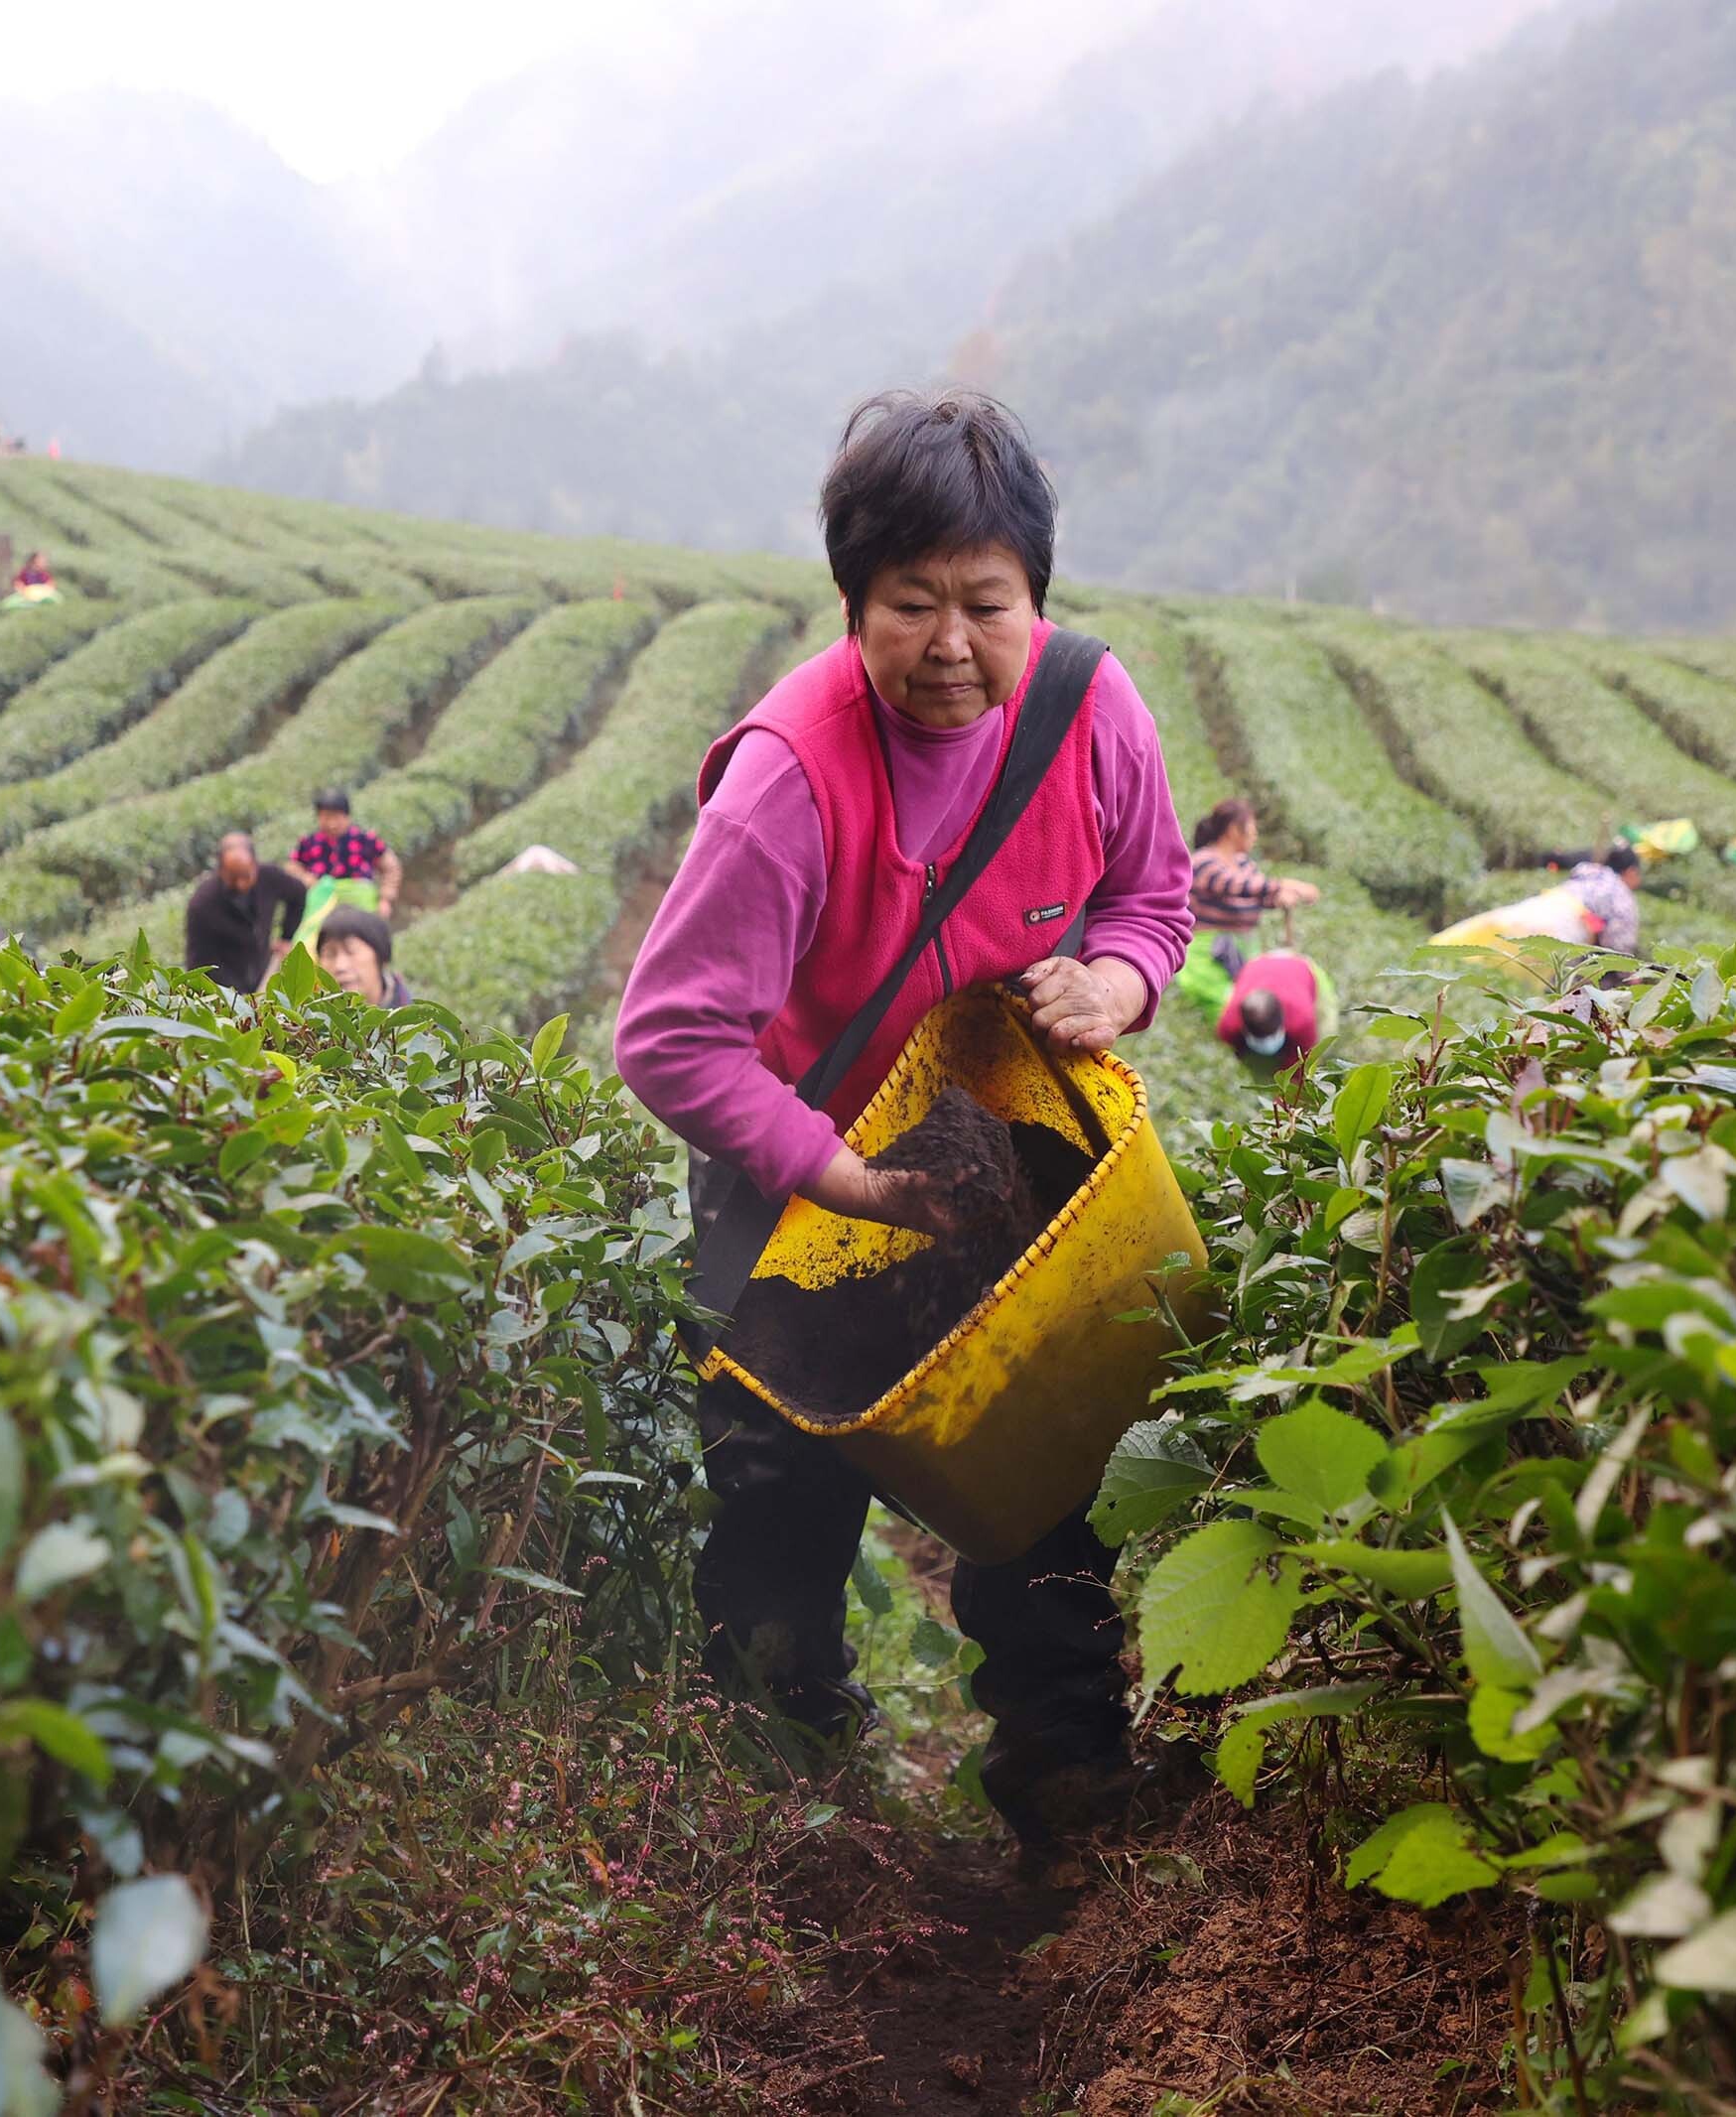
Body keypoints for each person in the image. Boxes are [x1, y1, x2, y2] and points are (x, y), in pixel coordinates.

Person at [614, 388, 1194, 1856]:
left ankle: (1066, 1788)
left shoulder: (1087, 708)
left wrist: (1118, 983)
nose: (952, 646)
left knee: (1045, 1484)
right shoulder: (789, 780)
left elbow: (1153, 898)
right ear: (852, 602)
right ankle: (798, 1811)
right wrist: (854, 1183)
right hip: (806, 1162)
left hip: (1010, 1145)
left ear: (1034, 598)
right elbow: (670, 1039)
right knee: (781, 1523)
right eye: (910, 603)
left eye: (985, 604)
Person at [1186, 799, 1316, 975]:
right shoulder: (1204, 861)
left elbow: (1259, 894)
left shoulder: (1243, 863)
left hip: (1243, 949)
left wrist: (1281, 898)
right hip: (1209, 955)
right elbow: (1239, 886)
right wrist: (1285, 885)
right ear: (1233, 830)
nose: (1255, 835)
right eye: (1251, 828)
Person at [184, 832, 307, 992]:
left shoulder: (269, 877)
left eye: (246, 876)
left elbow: (298, 893)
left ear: (255, 866)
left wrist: (286, 936)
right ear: (220, 871)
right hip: (226, 985)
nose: (241, 884)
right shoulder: (202, 904)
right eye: (233, 878)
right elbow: (198, 962)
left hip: (261, 968)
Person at [293, 787, 402, 919]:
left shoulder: (366, 839)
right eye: (326, 818)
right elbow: (293, 867)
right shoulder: (308, 842)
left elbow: (391, 867)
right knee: (305, 936)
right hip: (322, 905)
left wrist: (385, 899)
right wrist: (306, 878)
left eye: (336, 817)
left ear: (347, 816)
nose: (332, 824)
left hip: (360, 903)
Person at [1218, 953, 1321, 1074]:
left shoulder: (1302, 1019)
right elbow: (1229, 1050)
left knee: (1325, 1028)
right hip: (1257, 963)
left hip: (1300, 967)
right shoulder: (1230, 1021)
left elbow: (1303, 1064)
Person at [312, 904, 411, 1006]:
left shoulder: (417, 1018)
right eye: (329, 954)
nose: (340, 966)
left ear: (381, 955)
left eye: (351, 951)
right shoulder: (306, 1018)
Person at [1560, 844, 1643, 957]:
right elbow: (1620, 946)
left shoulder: (1586, 876)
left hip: (1535, 908)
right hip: (1564, 931)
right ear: (1631, 871)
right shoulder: (1620, 892)